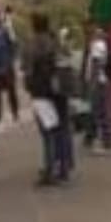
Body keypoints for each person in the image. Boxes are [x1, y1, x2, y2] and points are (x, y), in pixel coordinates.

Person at [26, 14, 71, 186]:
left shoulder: (33, 45)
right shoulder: (56, 42)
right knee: (61, 130)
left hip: (41, 92)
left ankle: (49, 170)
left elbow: (28, 69)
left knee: (47, 133)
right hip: (59, 91)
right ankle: (64, 168)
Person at [82, 24, 111, 153]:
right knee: (96, 111)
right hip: (98, 81)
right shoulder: (96, 44)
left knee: (100, 112)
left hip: (99, 82)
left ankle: (106, 140)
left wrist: (92, 83)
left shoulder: (97, 45)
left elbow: (96, 65)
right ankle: (92, 137)